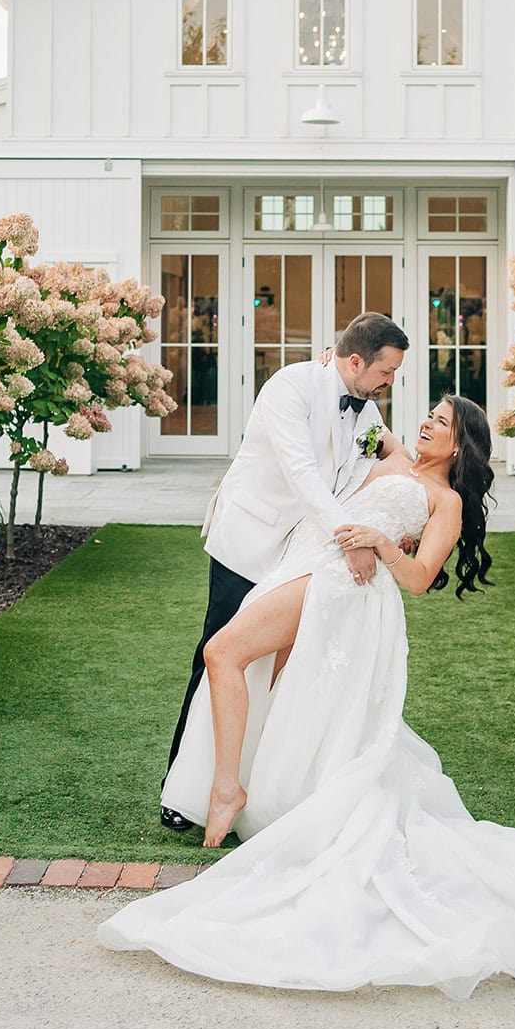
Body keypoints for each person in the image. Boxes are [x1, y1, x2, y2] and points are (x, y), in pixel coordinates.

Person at [101, 394, 515, 1000]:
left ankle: (227, 788)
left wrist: (378, 542)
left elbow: (423, 578)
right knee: (273, 684)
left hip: (340, 585)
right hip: (306, 563)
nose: (426, 423)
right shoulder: (392, 457)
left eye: (442, 421)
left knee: (223, 653)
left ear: (461, 445)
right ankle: (262, 792)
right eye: (428, 415)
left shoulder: (445, 499)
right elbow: (356, 416)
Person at [159, 311, 409, 831]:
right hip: (249, 540)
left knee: (277, 665)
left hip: (300, 553)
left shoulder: (365, 408)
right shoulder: (289, 388)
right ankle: (181, 792)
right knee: (217, 653)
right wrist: (349, 536)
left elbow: (389, 453)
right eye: (386, 372)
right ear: (356, 360)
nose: (390, 383)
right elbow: (301, 475)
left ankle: (262, 781)